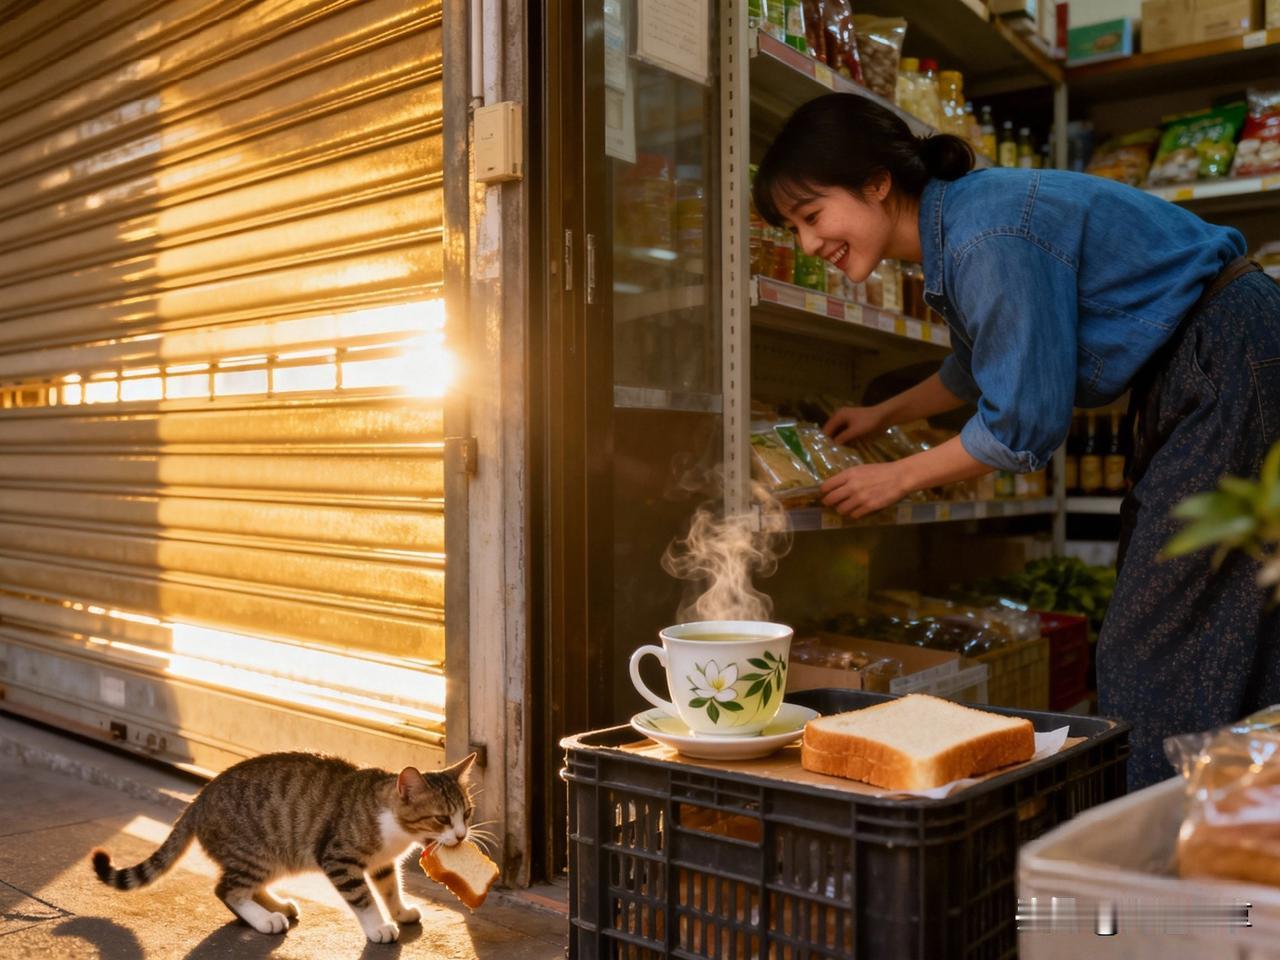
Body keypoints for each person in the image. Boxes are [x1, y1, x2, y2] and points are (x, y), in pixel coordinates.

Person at [753, 93, 1280, 791]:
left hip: (1224, 359)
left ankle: (1160, 858)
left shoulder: (983, 236)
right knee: (1236, 619)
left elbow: (1023, 425)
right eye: (793, 229)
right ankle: (1234, 834)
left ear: (877, 182)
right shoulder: (966, 223)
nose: (809, 243)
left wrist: (898, 476)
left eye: (812, 216)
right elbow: (978, 364)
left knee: (1153, 646)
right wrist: (885, 415)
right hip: (1229, 355)